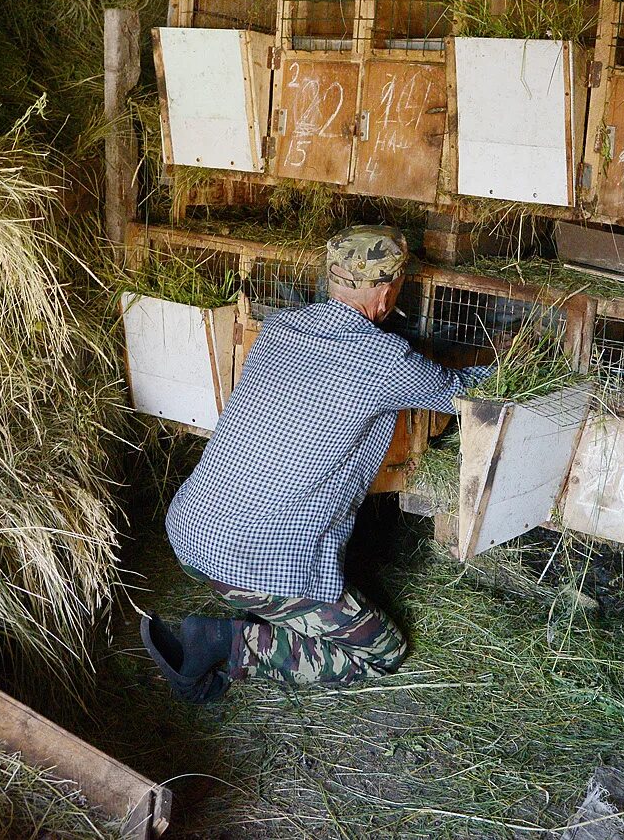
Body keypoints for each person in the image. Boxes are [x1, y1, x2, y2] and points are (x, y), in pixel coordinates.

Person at [142, 225, 489, 702]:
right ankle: (227, 644)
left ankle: (252, 611)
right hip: (246, 556)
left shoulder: (280, 329)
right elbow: (467, 394)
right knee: (383, 652)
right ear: (387, 294)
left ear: (332, 277)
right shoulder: (383, 357)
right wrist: (516, 361)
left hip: (189, 529)